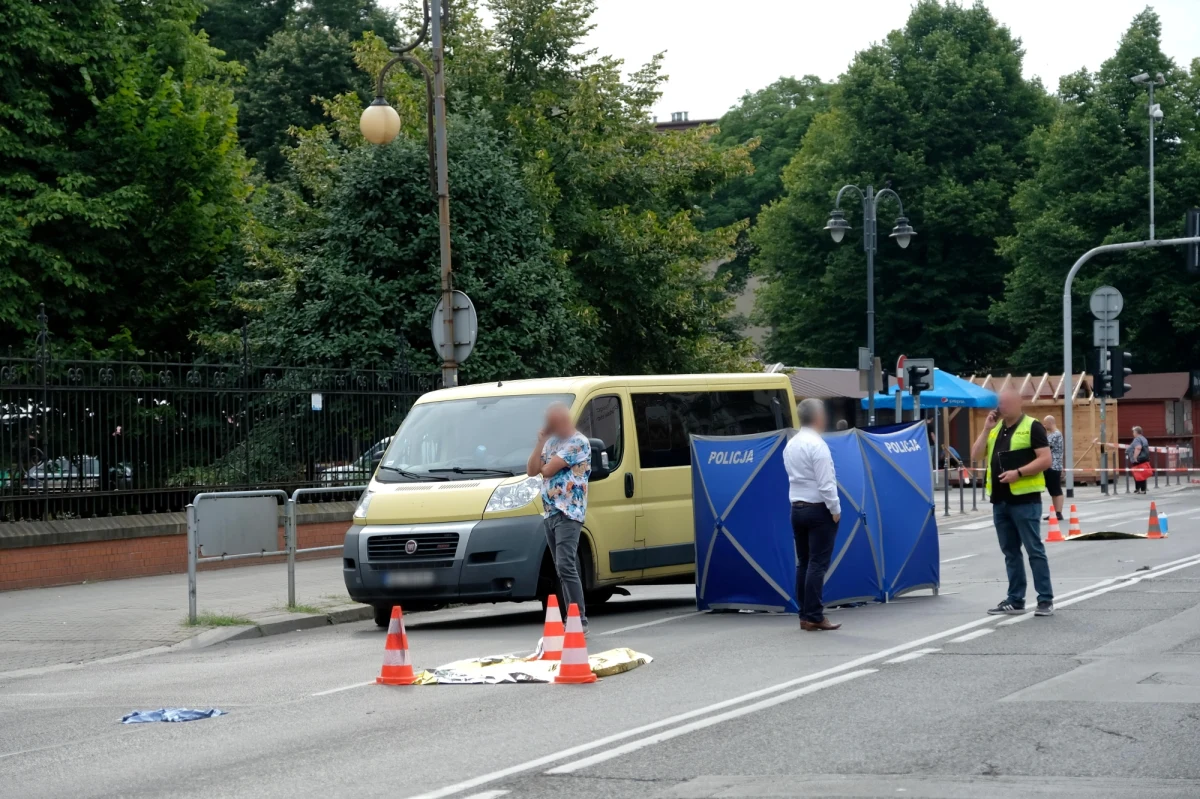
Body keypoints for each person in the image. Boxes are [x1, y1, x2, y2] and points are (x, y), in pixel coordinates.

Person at [970, 388, 1055, 617]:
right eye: (1000, 403)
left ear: (1019, 403)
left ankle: (1045, 599)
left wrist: (1018, 473)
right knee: (1010, 552)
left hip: (1025, 500)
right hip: (1000, 501)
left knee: (1034, 550)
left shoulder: (1032, 426)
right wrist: (986, 429)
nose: (1001, 407)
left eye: (1006, 403)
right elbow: (976, 455)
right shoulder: (996, 428)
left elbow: (1046, 460)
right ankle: (1015, 599)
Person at [526, 402, 592, 633]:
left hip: (569, 512)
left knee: (566, 565)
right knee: (561, 566)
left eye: (557, 420)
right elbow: (532, 469)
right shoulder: (551, 442)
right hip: (550, 511)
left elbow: (547, 470)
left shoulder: (578, 442)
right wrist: (540, 442)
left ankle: (579, 619)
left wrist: (544, 464)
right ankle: (572, 617)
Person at [783, 398, 842, 631]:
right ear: (818, 418)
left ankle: (804, 615)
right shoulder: (818, 445)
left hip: (796, 507)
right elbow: (827, 482)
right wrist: (835, 509)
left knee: (804, 563)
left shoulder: (791, 444)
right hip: (819, 509)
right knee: (818, 563)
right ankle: (815, 615)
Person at [1042, 415, 1065, 521]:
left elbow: (1045, 446)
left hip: (1053, 465)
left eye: (1045, 424)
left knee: (1056, 489)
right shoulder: (1055, 434)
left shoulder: (1055, 435)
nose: (1044, 426)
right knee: (1053, 490)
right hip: (1053, 465)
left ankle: (1059, 512)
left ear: (1050, 423)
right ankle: (1056, 512)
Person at [1130, 426, 1151, 494]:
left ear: (1136, 432)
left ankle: (1138, 488)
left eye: (1133, 432)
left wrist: (1135, 457)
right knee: (1142, 473)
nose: (1133, 433)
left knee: (1137, 473)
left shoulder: (1137, 439)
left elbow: (1138, 448)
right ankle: (1143, 489)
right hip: (1145, 458)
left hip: (1139, 458)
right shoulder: (1144, 439)